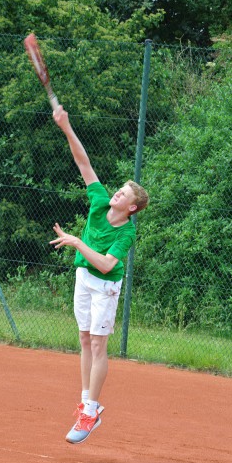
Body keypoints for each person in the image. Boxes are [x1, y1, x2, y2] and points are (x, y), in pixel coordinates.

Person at [50, 106, 149, 444]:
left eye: (123, 195)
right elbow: (84, 162)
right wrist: (66, 126)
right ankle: (84, 401)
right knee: (82, 339)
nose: (116, 194)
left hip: (106, 285)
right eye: (118, 190)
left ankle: (92, 411)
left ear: (131, 207)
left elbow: (107, 265)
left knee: (97, 342)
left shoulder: (127, 233)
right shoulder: (98, 202)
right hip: (84, 279)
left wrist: (77, 241)